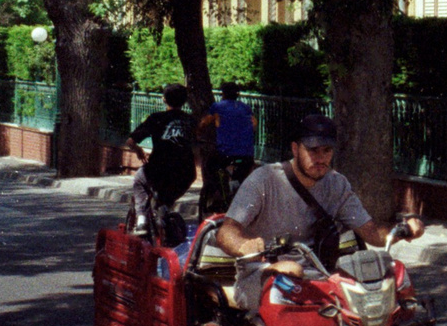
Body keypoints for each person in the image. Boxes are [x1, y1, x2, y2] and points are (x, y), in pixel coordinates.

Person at [211, 113, 422, 311]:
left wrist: (404, 229)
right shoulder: (264, 181)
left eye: (326, 151)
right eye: (312, 150)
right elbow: (226, 233)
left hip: (320, 278)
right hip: (261, 276)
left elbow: (372, 233)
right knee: (291, 275)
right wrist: (243, 245)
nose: (320, 158)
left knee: (384, 285)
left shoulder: (336, 184)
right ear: (295, 149)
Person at [126, 83, 200, 237]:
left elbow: (130, 142)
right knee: (168, 194)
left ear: (164, 99)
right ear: (184, 101)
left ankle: (141, 221)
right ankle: (165, 208)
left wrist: (139, 151)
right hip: (186, 173)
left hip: (159, 170)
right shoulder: (191, 121)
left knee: (140, 180)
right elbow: (197, 146)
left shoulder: (157, 118)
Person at [201, 81, 258, 212]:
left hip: (225, 153)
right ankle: (237, 188)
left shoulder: (217, 107)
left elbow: (205, 122)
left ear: (222, 93)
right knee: (241, 174)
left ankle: (222, 194)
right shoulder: (246, 108)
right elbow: (254, 125)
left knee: (212, 166)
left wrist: (199, 132)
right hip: (247, 154)